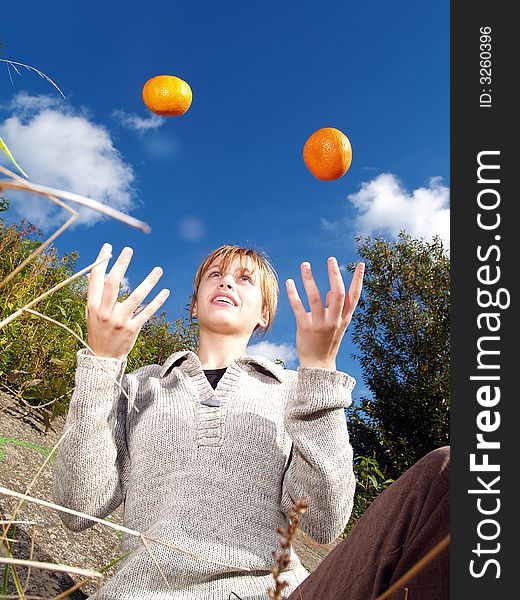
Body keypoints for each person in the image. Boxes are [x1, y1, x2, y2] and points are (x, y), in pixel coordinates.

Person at [53, 242, 449, 600]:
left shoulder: (298, 390)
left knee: (448, 473)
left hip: (275, 593)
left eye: (244, 278)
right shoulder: (140, 387)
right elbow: (77, 507)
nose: (226, 281)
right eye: (214, 274)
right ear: (194, 305)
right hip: (143, 593)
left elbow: (324, 521)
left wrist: (320, 368)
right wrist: (102, 363)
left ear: (264, 313)